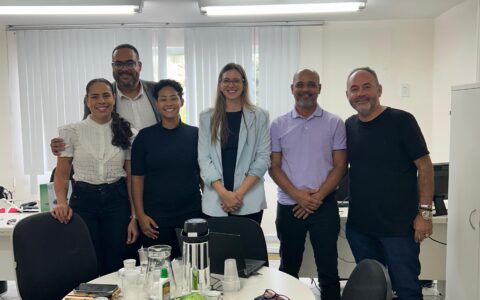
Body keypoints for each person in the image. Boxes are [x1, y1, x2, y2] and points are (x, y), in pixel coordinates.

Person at [344, 67, 434, 300]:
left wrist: (424, 214)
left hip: (400, 229)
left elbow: (424, 166)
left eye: (367, 87)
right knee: (370, 290)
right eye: (354, 89)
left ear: (379, 90)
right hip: (360, 228)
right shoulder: (349, 126)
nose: (360, 93)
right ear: (348, 95)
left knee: (407, 290)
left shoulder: (402, 121)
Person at [269, 69, 346, 300]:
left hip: (324, 206)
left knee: (328, 271)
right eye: (300, 84)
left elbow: (340, 166)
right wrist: (299, 197)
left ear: (319, 88)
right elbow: (274, 167)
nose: (305, 89)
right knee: (288, 268)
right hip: (289, 206)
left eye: (311, 84)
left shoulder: (335, 122)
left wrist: (315, 198)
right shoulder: (278, 124)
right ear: (292, 89)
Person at [51, 78, 139, 276]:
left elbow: (131, 178)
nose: (102, 101)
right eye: (95, 96)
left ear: (114, 98)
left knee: (116, 264)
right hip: (84, 201)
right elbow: (63, 173)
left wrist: (134, 217)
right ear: (87, 100)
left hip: (117, 202)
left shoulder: (129, 132)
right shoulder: (70, 131)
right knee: (87, 262)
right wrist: (62, 202)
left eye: (106, 95)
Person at [131, 79, 203, 258]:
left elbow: (204, 175)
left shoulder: (196, 135)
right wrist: (140, 215)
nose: (168, 103)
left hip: (191, 214)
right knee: (159, 273)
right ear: (156, 104)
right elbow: (137, 178)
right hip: (155, 219)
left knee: (194, 268)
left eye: (173, 98)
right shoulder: (145, 137)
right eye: (163, 99)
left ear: (181, 102)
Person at [50, 43, 160, 155]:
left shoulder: (157, 90)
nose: (124, 69)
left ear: (139, 65)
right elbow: (87, 132)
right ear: (113, 67)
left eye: (130, 63)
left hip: (159, 161)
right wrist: (63, 146)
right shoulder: (101, 98)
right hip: (121, 167)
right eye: (118, 64)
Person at [198, 63, 271, 224]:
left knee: (246, 249)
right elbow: (204, 159)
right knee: (219, 249)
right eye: (226, 80)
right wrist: (224, 194)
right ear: (220, 84)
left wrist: (237, 195)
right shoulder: (206, 117)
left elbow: (263, 158)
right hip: (217, 199)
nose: (231, 85)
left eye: (236, 81)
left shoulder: (259, 116)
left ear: (244, 84)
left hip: (248, 198)